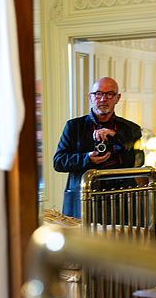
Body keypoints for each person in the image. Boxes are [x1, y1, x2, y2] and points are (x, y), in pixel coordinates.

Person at [53, 77, 143, 218]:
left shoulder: (130, 129)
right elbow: (58, 162)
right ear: (91, 97)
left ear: (117, 98)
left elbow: (139, 161)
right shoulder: (74, 126)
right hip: (83, 199)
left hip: (119, 201)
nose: (103, 99)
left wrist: (115, 136)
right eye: (98, 94)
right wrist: (87, 159)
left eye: (109, 94)